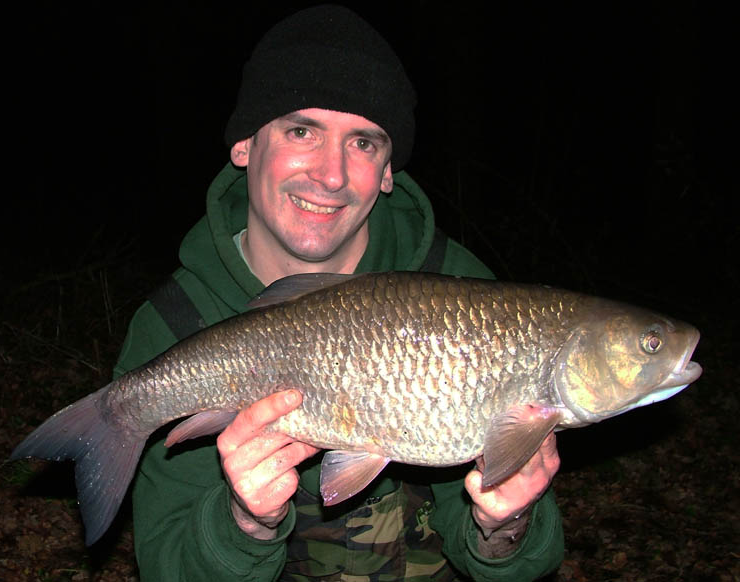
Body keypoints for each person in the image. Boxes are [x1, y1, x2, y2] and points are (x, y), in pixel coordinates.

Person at [114, 5, 564, 581]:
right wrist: (245, 523)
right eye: (302, 131)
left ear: (387, 172)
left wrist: (504, 526)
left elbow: (513, 566)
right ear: (245, 146)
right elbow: (168, 568)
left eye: (363, 143)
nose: (331, 175)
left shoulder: (462, 292)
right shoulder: (177, 322)